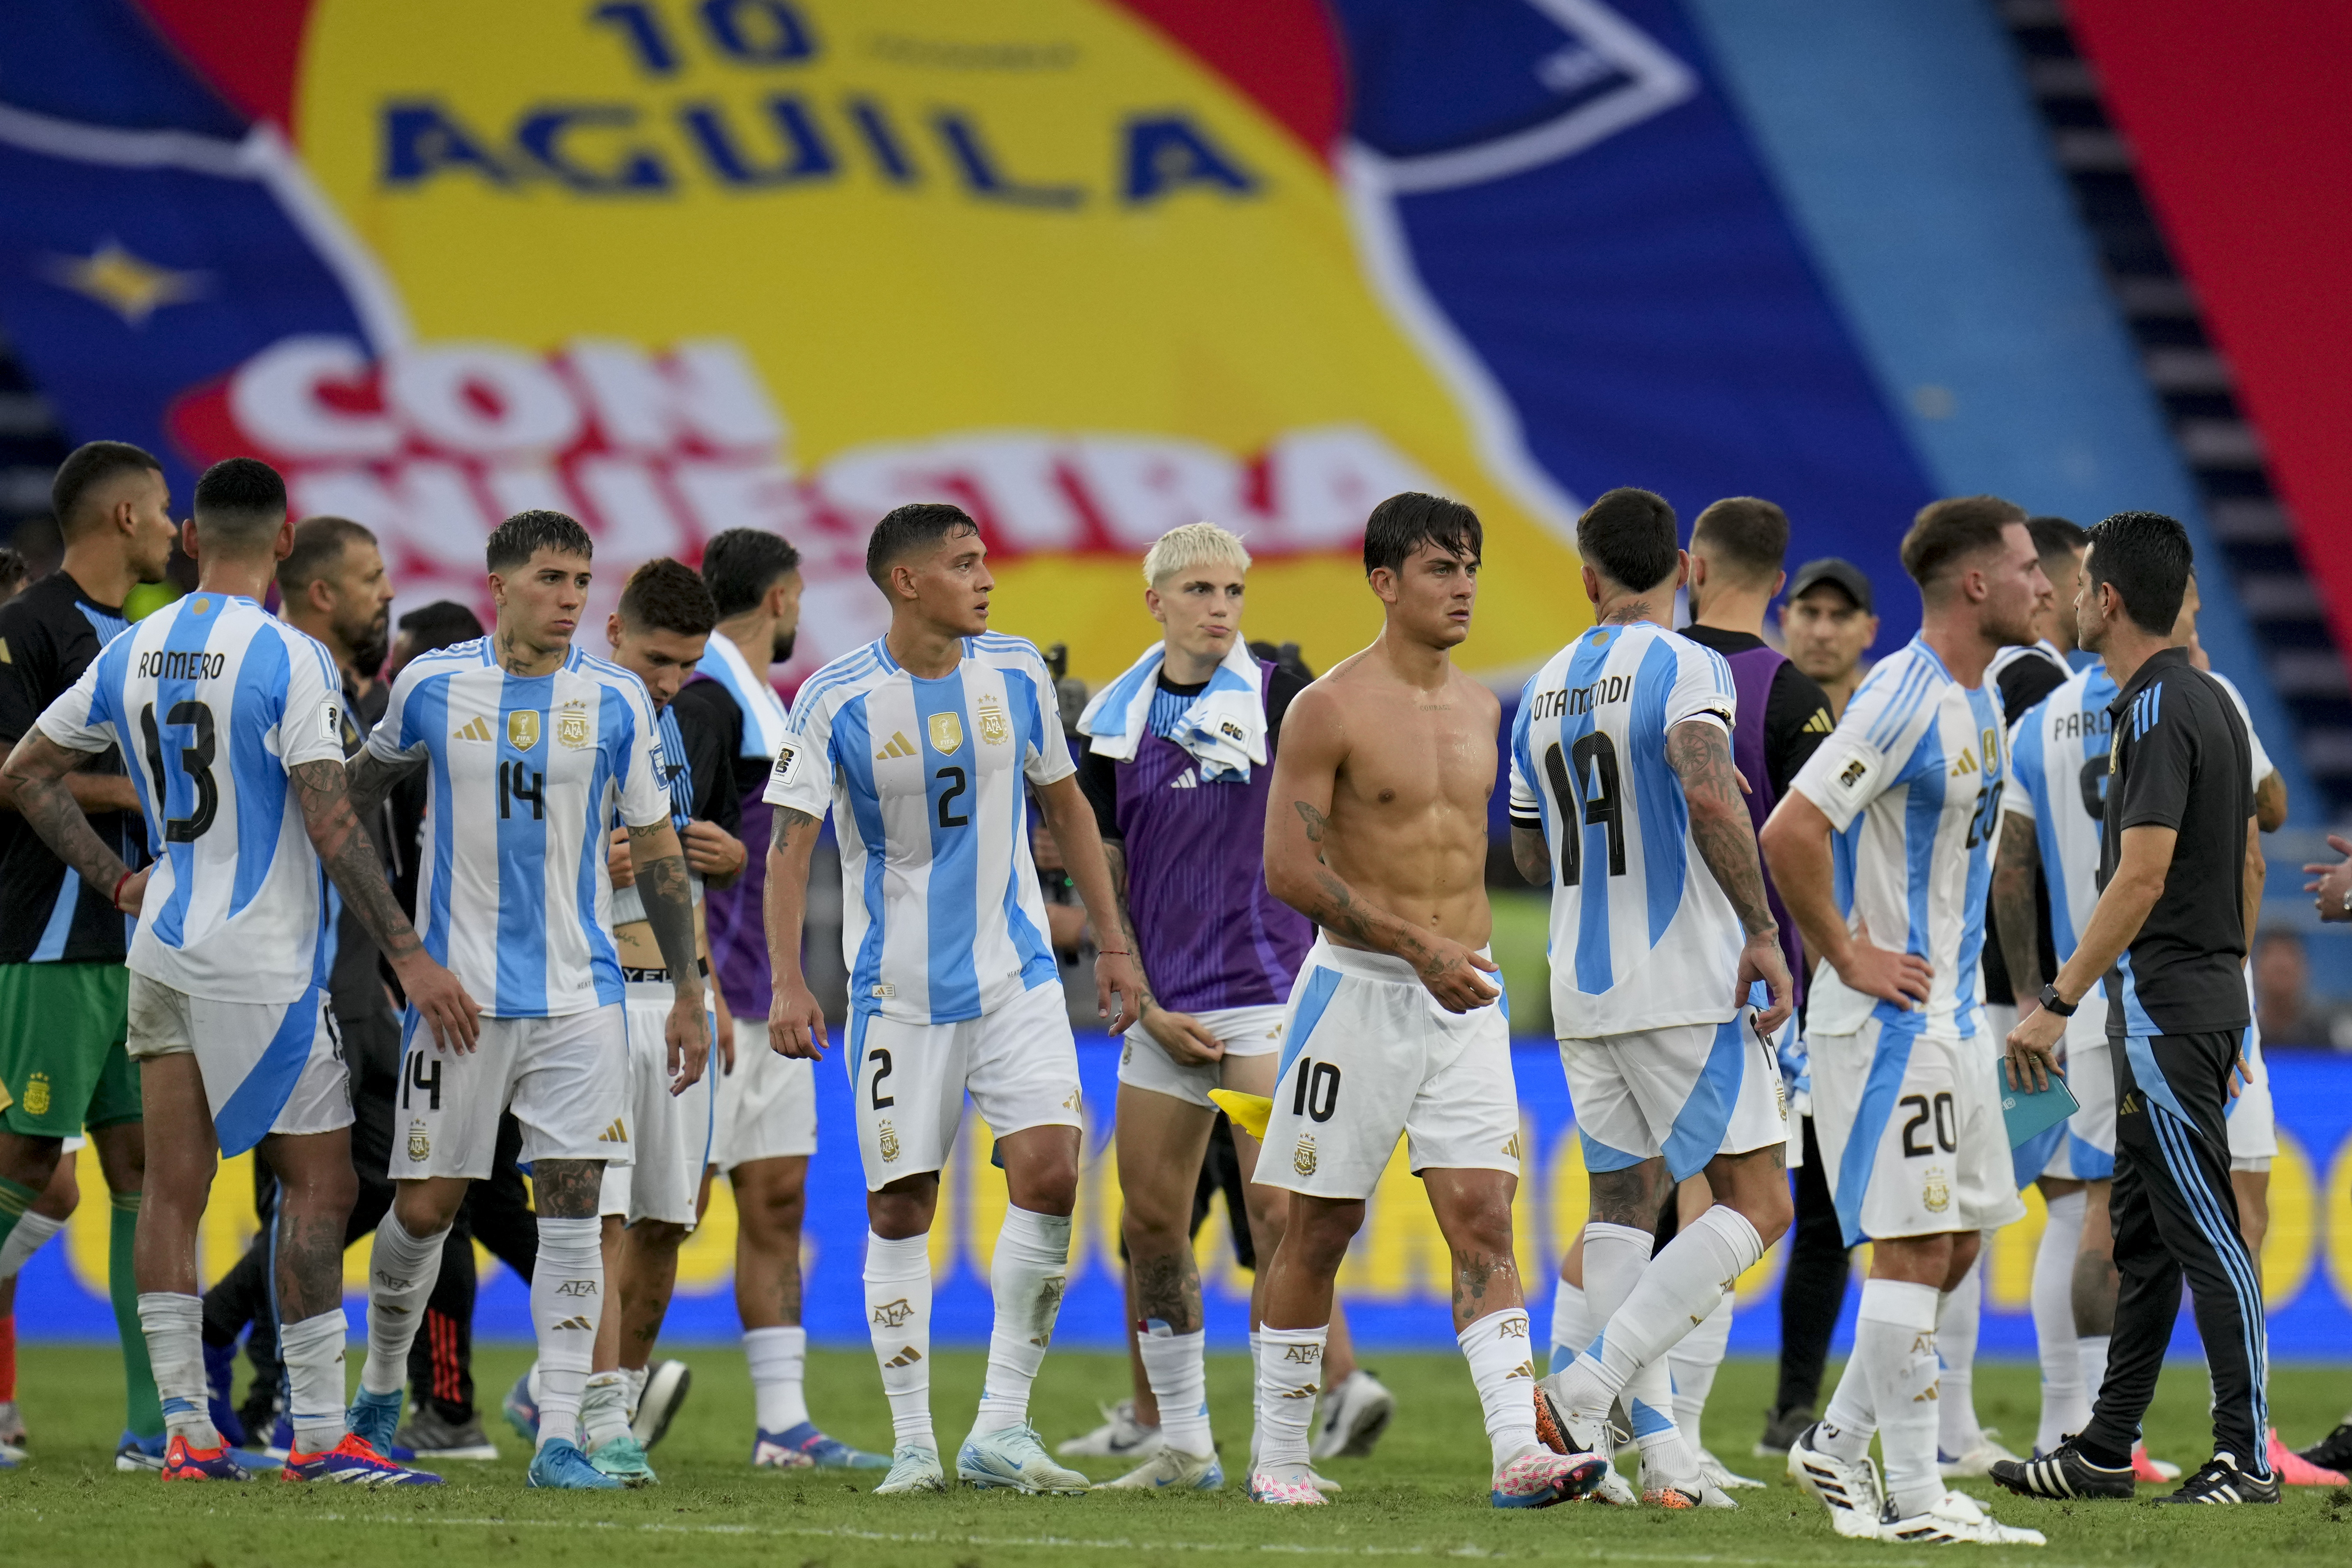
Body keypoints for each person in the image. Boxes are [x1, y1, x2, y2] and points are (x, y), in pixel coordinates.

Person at [0, 456, 471, 1483]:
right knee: (321, 1183)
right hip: (261, 958)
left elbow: (24, 771)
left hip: (160, 940)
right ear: (288, 540)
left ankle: (183, 1432)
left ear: (193, 539)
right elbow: (329, 813)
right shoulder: (286, 655)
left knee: (170, 1186)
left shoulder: (136, 645)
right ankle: (314, 1438)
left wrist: (117, 883)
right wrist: (409, 952)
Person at [763, 501, 1142, 1496]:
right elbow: (790, 846)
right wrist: (790, 980)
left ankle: (1002, 1427)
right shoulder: (834, 699)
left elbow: (1063, 802)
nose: (985, 579)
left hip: (1015, 977)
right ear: (906, 581)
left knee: (1053, 1173)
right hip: (898, 994)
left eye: (985, 561)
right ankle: (914, 1445)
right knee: (901, 1205)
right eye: (965, 564)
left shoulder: (1014, 671)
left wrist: (1112, 939)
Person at [340, 508, 710, 1492]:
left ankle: (564, 1433)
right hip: (456, 1002)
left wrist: (685, 991)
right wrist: (405, 952)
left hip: (579, 996)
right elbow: (345, 800)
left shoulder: (618, 702)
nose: (571, 598)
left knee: (576, 1210)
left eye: (583, 580)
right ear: (497, 582)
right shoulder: (428, 685)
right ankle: (379, 1391)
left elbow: (660, 847)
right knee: (423, 1207)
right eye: (551, 577)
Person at [1246, 491, 1597, 1512]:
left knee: (1483, 1214)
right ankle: (1280, 1449)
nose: (1463, 588)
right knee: (1319, 1227)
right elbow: (1286, 869)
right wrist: (1412, 944)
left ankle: (1515, 1450)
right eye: (1442, 569)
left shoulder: (1490, 706)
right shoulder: (1330, 707)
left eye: (1472, 568)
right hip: (1357, 994)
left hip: (1466, 997)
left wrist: (1459, 953)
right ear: (1384, 581)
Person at [1761, 494, 2049, 1546]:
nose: (2042, 583)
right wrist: (1846, 951)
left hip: (1954, 1022)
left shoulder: (1981, 701)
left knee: (1958, 1243)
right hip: (1886, 1025)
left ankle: (1835, 1446)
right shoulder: (1901, 695)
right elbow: (1789, 827)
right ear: (1975, 583)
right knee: (1914, 1246)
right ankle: (1916, 1502)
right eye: (2023, 566)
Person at [1513, 488, 1795, 1511]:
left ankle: (1657, 1458)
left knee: (1622, 1211)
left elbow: (1528, 842)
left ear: (1587, 576)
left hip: (1580, 986)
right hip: (1683, 976)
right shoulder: (1689, 665)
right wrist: (1762, 932)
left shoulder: (1543, 684)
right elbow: (1704, 778)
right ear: (1682, 567)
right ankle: (1582, 1395)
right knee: (1757, 1201)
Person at [1988, 512, 2272, 1506]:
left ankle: (2244, 1454)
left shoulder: (2151, 708)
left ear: (2106, 600)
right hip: (2186, 1003)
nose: (2066, 600)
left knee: (2204, 1232)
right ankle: (2103, 1444)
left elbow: (2142, 874)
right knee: (2146, 1239)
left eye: (2078, 588)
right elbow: (2245, 853)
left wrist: (2054, 999)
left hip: (2159, 1009)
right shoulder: (2208, 701)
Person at [1067, 521, 1318, 1492]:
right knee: (1150, 1225)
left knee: (1277, 1217)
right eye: (1202, 590)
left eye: (1234, 590)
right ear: (1157, 603)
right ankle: (1183, 1442)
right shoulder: (1111, 723)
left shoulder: (1281, 699)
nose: (1221, 607)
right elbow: (1110, 869)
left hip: (1265, 1008)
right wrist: (1136, 982)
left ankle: (1278, 1447)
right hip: (1165, 1017)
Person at [1604, 494, 1831, 1487]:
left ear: (1690, 568)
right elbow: (1816, 838)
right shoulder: (1784, 691)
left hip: (1618, 967)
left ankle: (1656, 1433)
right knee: (1728, 1205)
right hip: (1741, 974)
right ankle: (1631, 1412)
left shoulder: (1644, 671)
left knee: (1646, 1205)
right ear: (1779, 583)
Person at [669, 529, 868, 1469]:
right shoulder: (710, 702)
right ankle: (567, 1382)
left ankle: (783, 1424)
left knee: (776, 1196)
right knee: (672, 1210)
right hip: (714, 995)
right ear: (783, 597)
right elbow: (668, 845)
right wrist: (696, 981)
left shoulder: (760, 702)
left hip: (766, 991)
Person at [0, 441, 174, 1469]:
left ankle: (153, 1428)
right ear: (119, 517)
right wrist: (158, 798)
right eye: (159, 511)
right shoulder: (26, 628)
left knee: (141, 1173)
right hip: (53, 935)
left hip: (138, 940)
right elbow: (15, 776)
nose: (170, 527)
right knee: (26, 1162)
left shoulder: (151, 639)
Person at [1757, 556, 1878, 1459]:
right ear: (1784, 617)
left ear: (1866, 629)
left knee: (1828, 1215)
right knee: (1703, 1193)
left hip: (1855, 991)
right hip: (1763, 988)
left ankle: (1790, 1408)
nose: (1824, 627)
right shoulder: (1760, 712)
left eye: (1842, 613)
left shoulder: (1885, 717)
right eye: (1810, 610)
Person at [1779, 559, 1880, 721]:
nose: (1822, 634)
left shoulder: (1885, 736)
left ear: (1870, 631)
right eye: (1810, 613)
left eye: (1841, 616)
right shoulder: (1746, 719)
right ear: (1784, 621)